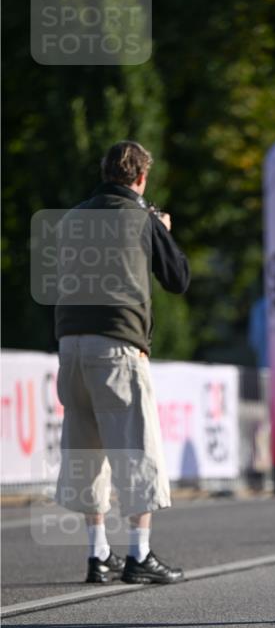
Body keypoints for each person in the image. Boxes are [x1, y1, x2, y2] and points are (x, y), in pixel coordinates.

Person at [54, 140, 190, 584]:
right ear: (141, 178)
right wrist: (162, 230)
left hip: (70, 345)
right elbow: (177, 279)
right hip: (117, 347)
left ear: (104, 172)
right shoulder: (141, 218)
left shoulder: (72, 218)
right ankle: (139, 555)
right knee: (137, 450)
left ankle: (97, 555)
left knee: (86, 451)